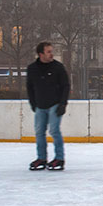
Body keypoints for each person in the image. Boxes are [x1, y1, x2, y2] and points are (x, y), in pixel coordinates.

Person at [26, 41, 70, 171]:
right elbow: (29, 87)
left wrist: (62, 103)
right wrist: (33, 103)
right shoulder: (32, 69)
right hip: (40, 106)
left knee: (54, 131)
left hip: (55, 105)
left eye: (52, 51)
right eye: (48, 52)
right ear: (41, 54)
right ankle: (42, 158)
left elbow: (65, 86)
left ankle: (59, 158)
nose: (52, 54)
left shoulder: (58, 67)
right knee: (39, 132)